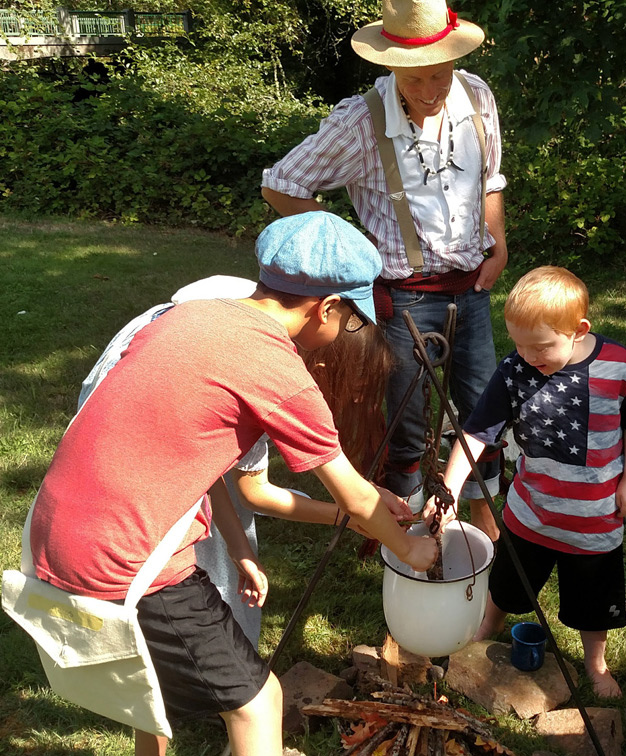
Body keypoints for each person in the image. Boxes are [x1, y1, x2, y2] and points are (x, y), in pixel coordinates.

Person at [30, 211, 438, 756]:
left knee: (144, 690)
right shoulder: (276, 368)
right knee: (258, 702)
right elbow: (357, 495)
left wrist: (241, 550)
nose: (348, 332)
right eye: (352, 319)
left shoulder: (188, 318)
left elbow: (197, 466)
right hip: (129, 563)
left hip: (57, 531)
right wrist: (412, 548)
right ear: (329, 307)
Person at [261, 0, 508, 540]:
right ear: (391, 64)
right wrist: (350, 247)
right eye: (416, 78)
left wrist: (499, 241)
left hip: (472, 287)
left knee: (486, 411)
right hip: (403, 296)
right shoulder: (360, 122)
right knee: (405, 423)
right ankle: (411, 543)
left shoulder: (477, 95)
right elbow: (281, 184)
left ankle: (486, 532)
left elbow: (491, 177)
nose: (429, 90)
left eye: (440, 75)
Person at [76, 276, 395, 645]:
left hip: (123, 404)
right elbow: (254, 492)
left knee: (208, 523)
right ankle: (209, 646)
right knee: (189, 552)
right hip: (135, 451)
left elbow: (214, 474)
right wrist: (354, 516)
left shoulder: (263, 305)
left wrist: (240, 547)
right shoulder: (263, 365)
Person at [430, 266, 626, 697]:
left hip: (595, 521)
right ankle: (485, 628)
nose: (528, 355)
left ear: (579, 329)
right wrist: (450, 487)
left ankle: (596, 663)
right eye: (517, 342)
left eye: (541, 346)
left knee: (593, 602)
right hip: (530, 512)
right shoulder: (516, 369)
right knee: (507, 583)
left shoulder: (622, 367)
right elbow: (477, 431)